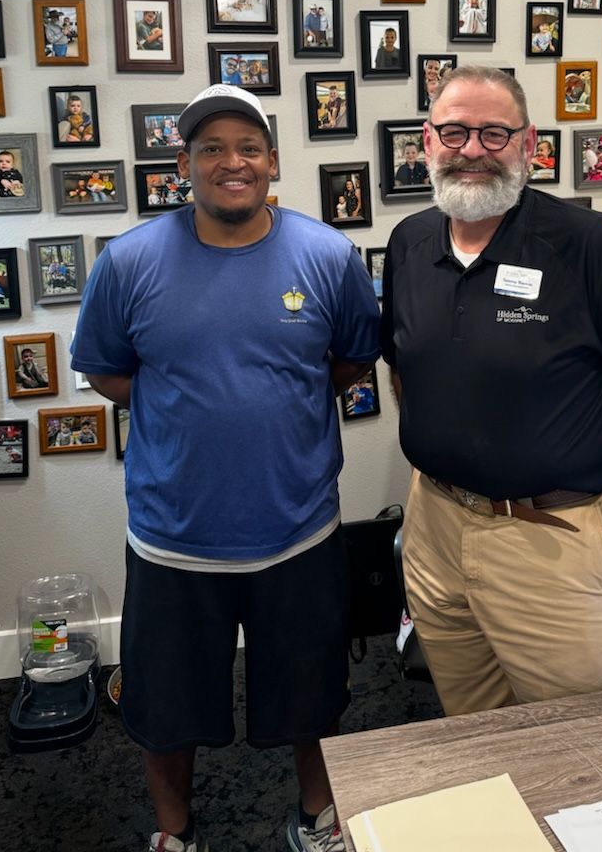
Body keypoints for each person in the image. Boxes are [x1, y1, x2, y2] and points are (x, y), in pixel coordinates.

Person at [70, 83, 381, 852]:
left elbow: (346, 364)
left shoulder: (329, 256)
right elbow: (108, 371)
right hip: (173, 537)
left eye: (247, 146)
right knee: (165, 706)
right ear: (185, 164)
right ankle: (174, 834)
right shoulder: (130, 261)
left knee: (314, 697)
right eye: (210, 148)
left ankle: (319, 818)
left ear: (273, 161)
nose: (230, 161)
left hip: (298, 531)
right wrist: (188, 398)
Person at [380, 66, 602, 717]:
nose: (473, 150)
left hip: (551, 542)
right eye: (455, 132)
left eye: (495, 133)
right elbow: (404, 365)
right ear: (428, 142)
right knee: (473, 731)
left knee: (579, 752)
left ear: (529, 146)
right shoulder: (408, 243)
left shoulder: (589, 247)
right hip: (435, 530)